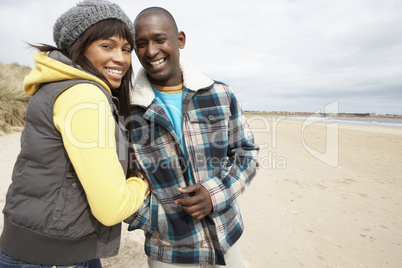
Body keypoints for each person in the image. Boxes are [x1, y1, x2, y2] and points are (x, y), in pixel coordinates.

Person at [0, 0, 148, 267]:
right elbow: (111, 208)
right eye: (107, 46)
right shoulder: (84, 95)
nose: (121, 58)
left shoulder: (55, 85)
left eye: (127, 49)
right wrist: (141, 184)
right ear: (78, 46)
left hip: (34, 242)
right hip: (53, 254)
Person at [127, 7, 259, 267]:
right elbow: (115, 182)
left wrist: (214, 194)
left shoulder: (220, 94)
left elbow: (247, 153)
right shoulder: (126, 109)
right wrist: (157, 219)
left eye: (159, 39)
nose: (151, 51)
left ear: (180, 40)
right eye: (141, 44)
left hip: (226, 241)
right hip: (167, 251)